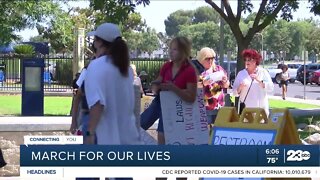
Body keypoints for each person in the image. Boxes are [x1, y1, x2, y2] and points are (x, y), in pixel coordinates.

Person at [84, 22, 141, 145]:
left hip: (106, 140)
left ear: (99, 42)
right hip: (131, 139)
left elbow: (97, 104)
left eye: (94, 40)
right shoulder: (126, 69)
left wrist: (90, 133)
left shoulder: (95, 66)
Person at [140, 36, 198, 144]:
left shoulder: (189, 70)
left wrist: (174, 89)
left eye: (174, 49)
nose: (171, 52)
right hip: (160, 101)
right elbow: (157, 82)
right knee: (138, 125)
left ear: (183, 51)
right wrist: (155, 87)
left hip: (175, 107)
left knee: (162, 134)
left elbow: (191, 97)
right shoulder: (167, 66)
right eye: (170, 49)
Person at [232, 49, 274, 117]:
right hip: (246, 112)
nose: (247, 62)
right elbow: (234, 93)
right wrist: (240, 87)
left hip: (261, 111)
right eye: (246, 60)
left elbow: (271, 88)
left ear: (255, 61)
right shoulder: (241, 74)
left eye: (249, 60)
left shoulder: (263, 72)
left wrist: (259, 81)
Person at [197, 47, 229, 125]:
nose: (210, 60)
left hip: (219, 106)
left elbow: (227, 85)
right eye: (207, 58)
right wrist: (203, 83)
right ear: (202, 59)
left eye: (212, 58)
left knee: (218, 131)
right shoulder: (198, 71)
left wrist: (225, 81)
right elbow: (194, 86)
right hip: (205, 108)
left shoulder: (218, 69)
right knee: (206, 133)